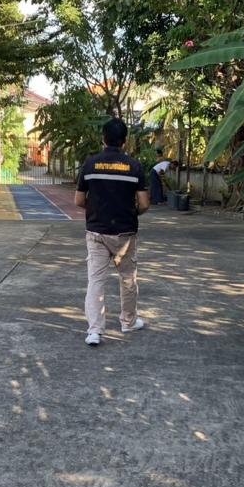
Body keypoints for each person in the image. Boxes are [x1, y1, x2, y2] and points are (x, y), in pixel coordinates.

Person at [75, 118, 150, 347]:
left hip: (96, 232)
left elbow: (79, 200)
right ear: (125, 141)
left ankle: (94, 331)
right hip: (125, 234)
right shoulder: (134, 167)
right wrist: (130, 212)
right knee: (128, 279)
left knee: (96, 281)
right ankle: (128, 322)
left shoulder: (90, 165)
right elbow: (144, 203)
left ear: (103, 139)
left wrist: (97, 211)